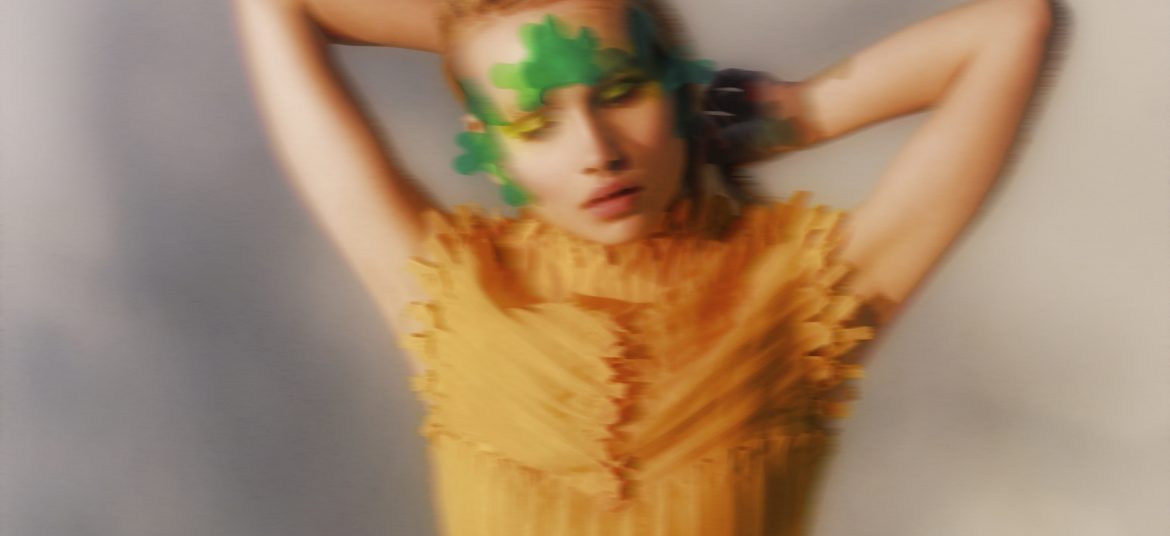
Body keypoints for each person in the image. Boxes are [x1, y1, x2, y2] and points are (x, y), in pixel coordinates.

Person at [233, 0, 1053, 533]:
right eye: (535, 123)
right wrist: (476, 37)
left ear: (678, 88)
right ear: (489, 148)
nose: (598, 151)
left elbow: (1013, 26)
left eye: (622, 91)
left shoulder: (803, 296)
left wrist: (797, 114)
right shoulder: (449, 294)